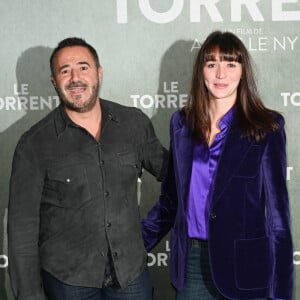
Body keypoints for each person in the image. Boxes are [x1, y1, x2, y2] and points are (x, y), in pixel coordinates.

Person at [8, 37, 168, 300]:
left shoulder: (133, 124)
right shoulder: (34, 144)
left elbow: (175, 174)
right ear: (53, 81)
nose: (75, 78)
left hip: (130, 275)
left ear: (98, 72)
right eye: (65, 71)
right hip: (69, 281)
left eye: (83, 67)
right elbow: (22, 228)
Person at [142, 31, 294, 300]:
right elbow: (171, 201)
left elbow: (279, 221)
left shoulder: (266, 128)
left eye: (230, 64)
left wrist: (281, 294)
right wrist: (133, 246)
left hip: (246, 266)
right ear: (201, 71)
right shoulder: (181, 124)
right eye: (212, 64)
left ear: (243, 71)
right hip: (192, 263)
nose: (221, 74)